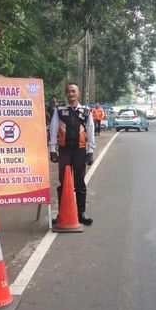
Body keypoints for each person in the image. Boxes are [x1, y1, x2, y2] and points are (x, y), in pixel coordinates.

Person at [48, 83, 95, 225]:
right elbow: (53, 130)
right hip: (65, 151)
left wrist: (90, 151)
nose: (71, 94)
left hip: (80, 151)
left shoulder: (86, 111)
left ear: (78, 94)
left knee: (80, 183)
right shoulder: (60, 110)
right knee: (63, 183)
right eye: (68, 92)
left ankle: (81, 213)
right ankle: (62, 214)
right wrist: (52, 150)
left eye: (73, 91)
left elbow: (91, 131)